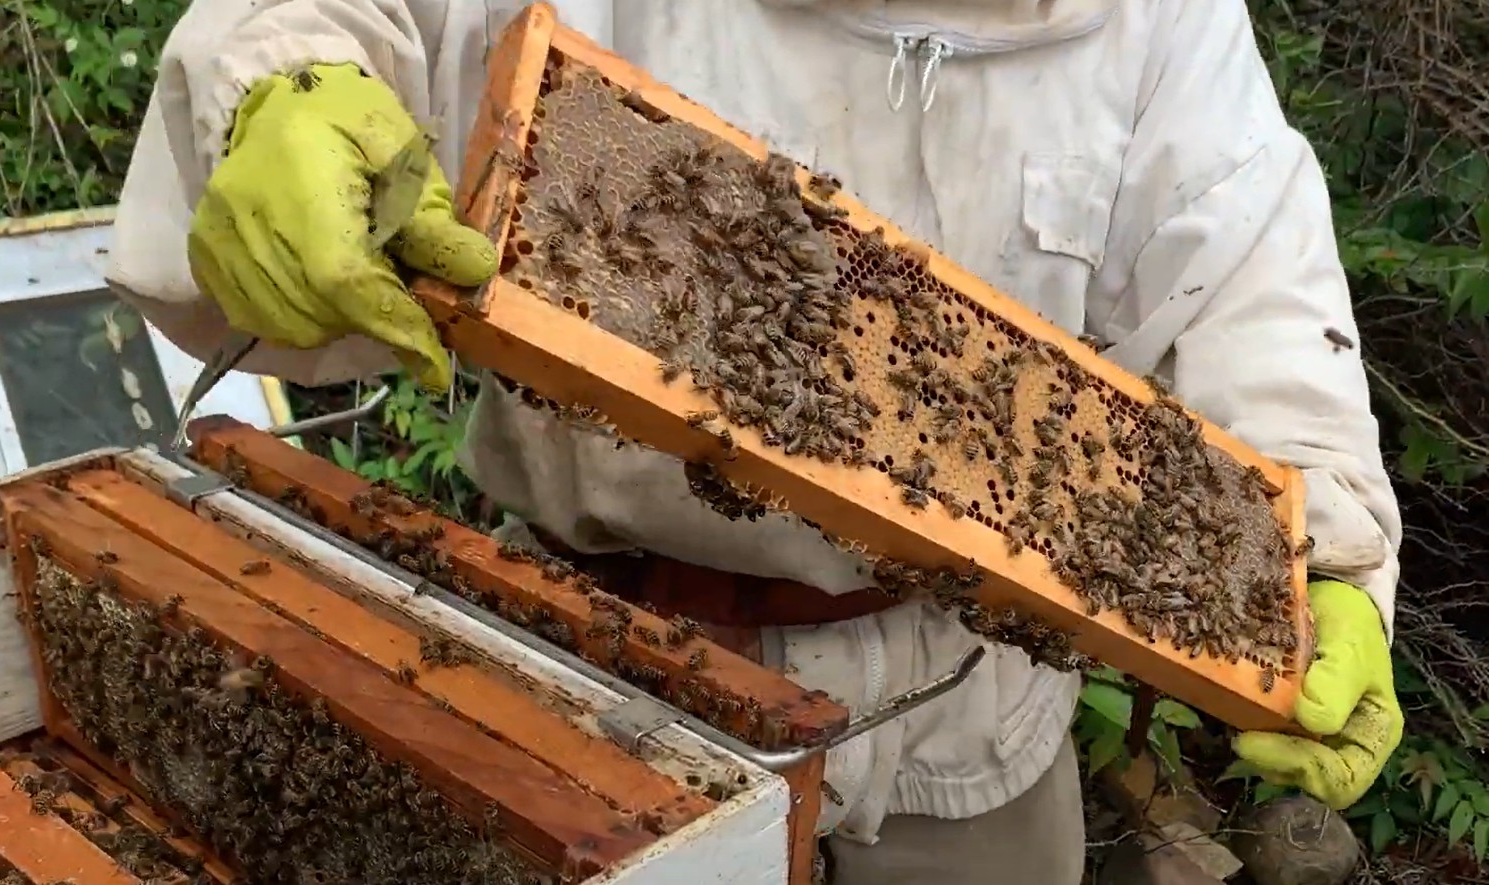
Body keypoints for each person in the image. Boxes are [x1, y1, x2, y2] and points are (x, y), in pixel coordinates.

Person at [108, 1, 1406, 882]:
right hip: (594, 657)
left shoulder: (1160, 26)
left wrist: (1333, 558)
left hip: (970, 695)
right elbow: (338, 14)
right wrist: (277, 85)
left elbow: (1249, 278)